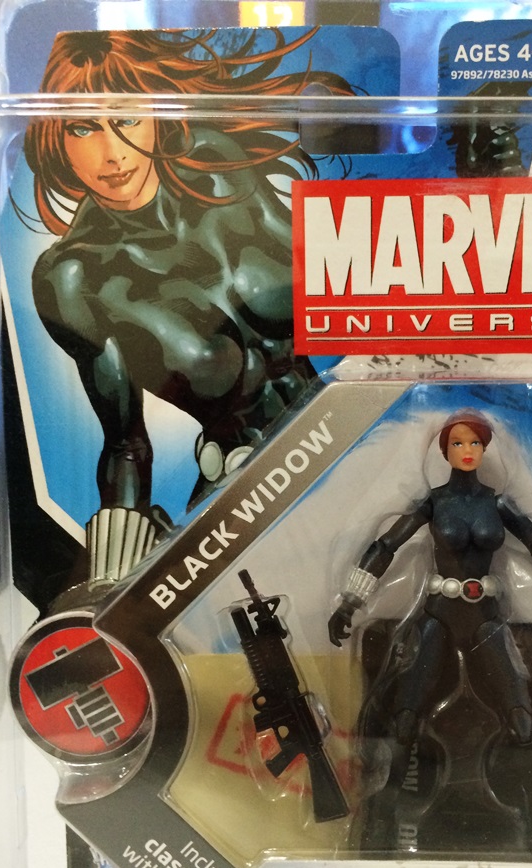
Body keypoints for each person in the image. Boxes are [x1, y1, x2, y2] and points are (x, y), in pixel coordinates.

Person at [22, 28, 354, 587]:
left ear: (155, 116)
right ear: (56, 138)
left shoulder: (219, 165)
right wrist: (109, 582)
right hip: (241, 495)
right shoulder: (74, 278)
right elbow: (125, 445)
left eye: (126, 118)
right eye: (82, 127)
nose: (111, 153)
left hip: (346, 438)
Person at [328, 411, 532, 855]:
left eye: (474, 443)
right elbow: (385, 545)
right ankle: (382, 820)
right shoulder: (433, 503)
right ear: (445, 450)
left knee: (522, 722)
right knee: (406, 721)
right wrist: (350, 601)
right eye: (458, 443)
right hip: (438, 617)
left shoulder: (497, 504)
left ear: (484, 448)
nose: (467, 451)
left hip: (485, 619)